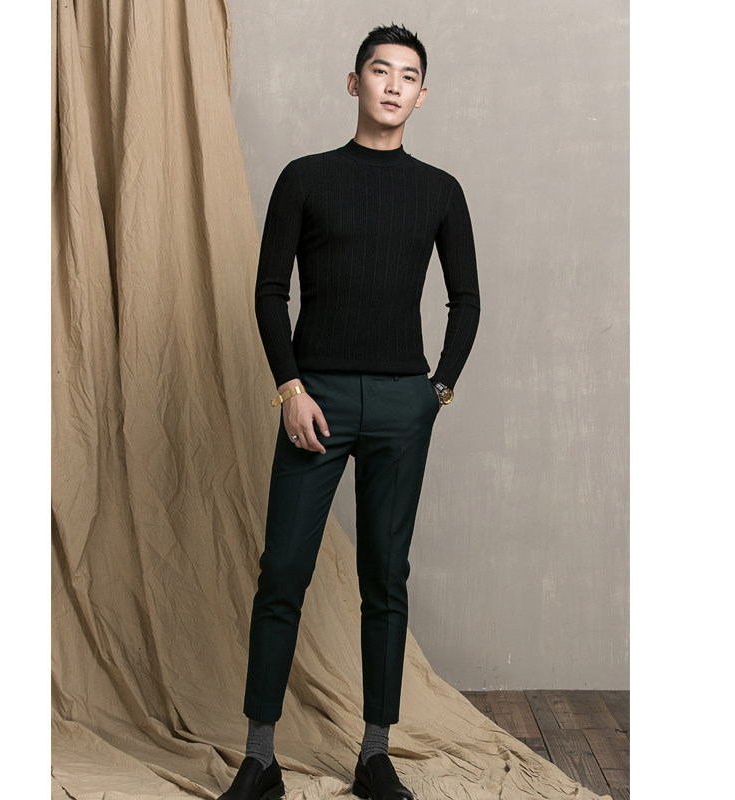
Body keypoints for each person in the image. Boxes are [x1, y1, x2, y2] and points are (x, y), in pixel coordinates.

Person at [218, 23, 480, 800]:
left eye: (408, 75)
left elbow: (466, 301)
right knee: (282, 572)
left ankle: (374, 755)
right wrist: (290, 388)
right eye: (379, 70)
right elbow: (269, 291)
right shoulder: (305, 178)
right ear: (353, 81)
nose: (393, 85)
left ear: (422, 95)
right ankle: (260, 758)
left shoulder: (440, 190)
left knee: (385, 577)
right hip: (317, 399)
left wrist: (436, 393)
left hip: (403, 404)